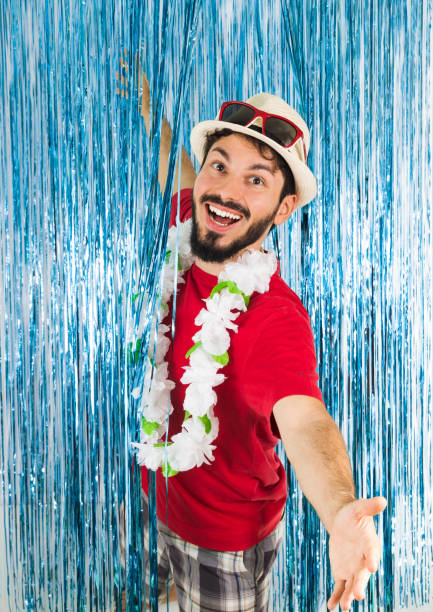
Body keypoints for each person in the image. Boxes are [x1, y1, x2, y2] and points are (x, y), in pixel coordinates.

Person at [120, 64, 387, 612]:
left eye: (257, 179)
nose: (226, 189)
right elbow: (180, 168)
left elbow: (306, 419)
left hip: (225, 543)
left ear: (284, 208)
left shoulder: (274, 318)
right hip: (158, 494)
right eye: (220, 166)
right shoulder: (194, 231)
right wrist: (147, 102)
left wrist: (339, 509)